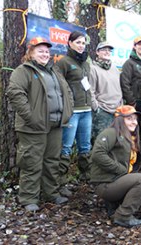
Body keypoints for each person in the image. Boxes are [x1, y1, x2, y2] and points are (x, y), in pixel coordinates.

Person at [7, 37, 73, 211]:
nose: (45, 54)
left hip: (55, 125)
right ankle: (29, 198)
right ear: (31, 53)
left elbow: (66, 92)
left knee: (52, 161)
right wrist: (31, 117)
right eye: (40, 51)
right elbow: (15, 93)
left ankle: (51, 193)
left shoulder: (54, 71)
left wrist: (68, 111)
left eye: (46, 51)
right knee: (31, 162)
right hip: (33, 127)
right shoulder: (24, 71)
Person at [91, 105, 141, 227]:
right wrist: (120, 169)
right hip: (106, 183)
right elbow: (97, 154)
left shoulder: (132, 137)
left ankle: (115, 204)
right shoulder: (111, 133)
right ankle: (123, 216)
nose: (134, 122)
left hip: (119, 180)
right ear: (120, 120)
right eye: (129, 119)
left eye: (135, 119)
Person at [57, 31, 92, 192]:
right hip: (72, 112)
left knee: (85, 146)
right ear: (70, 43)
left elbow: (87, 84)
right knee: (66, 147)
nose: (81, 45)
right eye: (78, 42)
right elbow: (59, 86)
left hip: (87, 110)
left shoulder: (85, 63)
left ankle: (86, 176)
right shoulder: (64, 62)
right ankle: (61, 182)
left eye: (83, 43)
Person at [89, 41, 123, 141]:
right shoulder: (93, 69)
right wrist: (96, 108)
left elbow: (119, 87)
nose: (107, 52)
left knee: (115, 140)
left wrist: (121, 104)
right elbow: (90, 91)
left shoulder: (115, 69)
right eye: (104, 50)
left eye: (109, 50)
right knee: (101, 141)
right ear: (97, 52)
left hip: (117, 110)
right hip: (103, 111)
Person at [120, 36, 141, 113]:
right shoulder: (129, 63)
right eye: (140, 44)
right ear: (134, 46)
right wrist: (132, 102)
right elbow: (125, 84)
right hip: (136, 102)